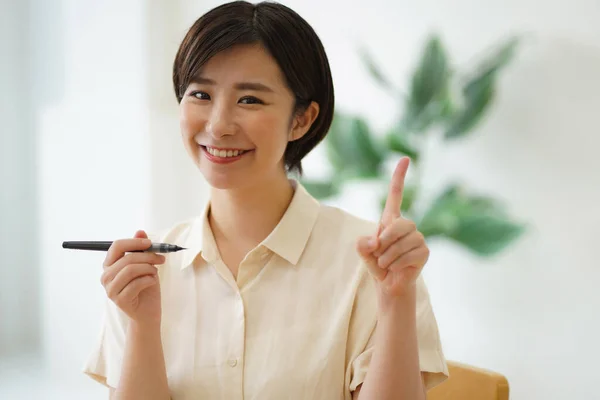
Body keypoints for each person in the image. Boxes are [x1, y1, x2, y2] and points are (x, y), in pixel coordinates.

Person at [83, 1, 449, 399]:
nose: (218, 125)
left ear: (302, 119)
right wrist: (141, 325)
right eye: (201, 93)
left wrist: (395, 302)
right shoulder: (144, 272)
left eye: (250, 100)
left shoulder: (374, 268)